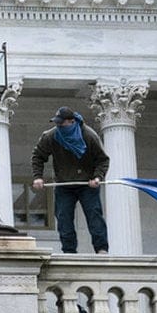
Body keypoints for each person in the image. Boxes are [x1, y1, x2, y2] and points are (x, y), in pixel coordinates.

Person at [31, 106, 111, 254]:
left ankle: (101, 249)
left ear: (72, 122)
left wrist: (98, 177)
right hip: (64, 184)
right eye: (57, 123)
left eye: (62, 123)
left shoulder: (88, 136)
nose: (59, 126)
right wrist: (38, 177)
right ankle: (69, 251)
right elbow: (38, 156)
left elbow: (102, 160)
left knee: (94, 216)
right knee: (63, 218)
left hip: (87, 184)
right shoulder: (51, 136)